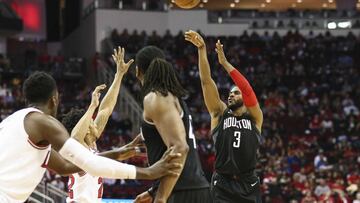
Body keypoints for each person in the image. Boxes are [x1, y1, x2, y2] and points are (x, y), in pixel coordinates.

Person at [0, 47, 181, 203]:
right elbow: (89, 161)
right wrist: (148, 172)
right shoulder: (47, 125)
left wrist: (118, 76)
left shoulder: (13, 123)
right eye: (91, 124)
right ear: (54, 99)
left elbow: (65, 167)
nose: (96, 127)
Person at [59, 47, 146, 203]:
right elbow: (74, 137)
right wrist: (91, 107)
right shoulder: (78, 150)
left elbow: (105, 109)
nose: (95, 123)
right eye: (91, 121)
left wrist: (119, 76)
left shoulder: (89, 144)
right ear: (85, 129)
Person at [185, 30, 263, 203]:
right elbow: (206, 81)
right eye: (229, 94)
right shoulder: (219, 113)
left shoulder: (255, 117)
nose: (231, 95)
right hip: (223, 184)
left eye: (236, 93)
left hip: (248, 184)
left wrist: (225, 63)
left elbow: (247, 89)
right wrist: (202, 50)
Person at [134, 46, 210, 203]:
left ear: (137, 71)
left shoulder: (156, 97)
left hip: (180, 192)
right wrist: (154, 191)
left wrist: (161, 196)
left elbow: (180, 148)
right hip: (194, 189)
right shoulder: (172, 98)